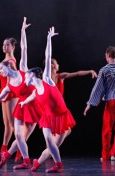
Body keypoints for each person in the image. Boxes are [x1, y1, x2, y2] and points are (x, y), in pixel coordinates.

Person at [0, 17, 42, 170]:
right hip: (21, 105)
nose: (0, 71)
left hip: (34, 104)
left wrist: (22, 31)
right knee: (19, 135)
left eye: (1, 69)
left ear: (8, 66)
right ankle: (25, 160)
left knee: (26, 135)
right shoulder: (8, 87)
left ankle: (8, 154)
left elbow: (24, 48)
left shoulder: (22, 68)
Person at [19, 26, 76, 173]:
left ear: (32, 75)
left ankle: (37, 162)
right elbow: (34, 95)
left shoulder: (46, 80)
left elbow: (48, 55)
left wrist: (48, 39)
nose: (24, 77)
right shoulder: (36, 90)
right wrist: (25, 101)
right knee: (50, 142)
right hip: (48, 117)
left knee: (53, 145)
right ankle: (58, 165)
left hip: (61, 116)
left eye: (26, 75)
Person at [83, 46, 115, 162]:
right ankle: (114, 154)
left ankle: (106, 155)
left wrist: (90, 103)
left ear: (108, 56)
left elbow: (98, 88)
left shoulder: (105, 70)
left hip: (112, 101)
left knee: (107, 129)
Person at [0, 36, 21, 162]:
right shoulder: (6, 59)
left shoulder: (11, 60)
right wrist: (1, 94)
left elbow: (16, 76)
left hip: (10, 92)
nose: (4, 47)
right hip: (4, 91)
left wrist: (4, 93)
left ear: (13, 47)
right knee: (6, 124)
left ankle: (19, 148)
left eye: (7, 45)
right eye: (3, 45)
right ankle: (4, 148)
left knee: (12, 124)